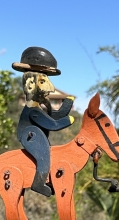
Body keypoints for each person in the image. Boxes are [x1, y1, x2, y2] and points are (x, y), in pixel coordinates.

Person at [12, 46, 74, 196]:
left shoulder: (40, 107)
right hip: (29, 135)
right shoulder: (33, 110)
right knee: (43, 152)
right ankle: (38, 183)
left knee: (48, 149)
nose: (51, 88)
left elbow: (55, 116)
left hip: (36, 133)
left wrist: (67, 104)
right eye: (43, 82)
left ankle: (48, 179)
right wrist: (69, 120)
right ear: (31, 85)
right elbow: (53, 124)